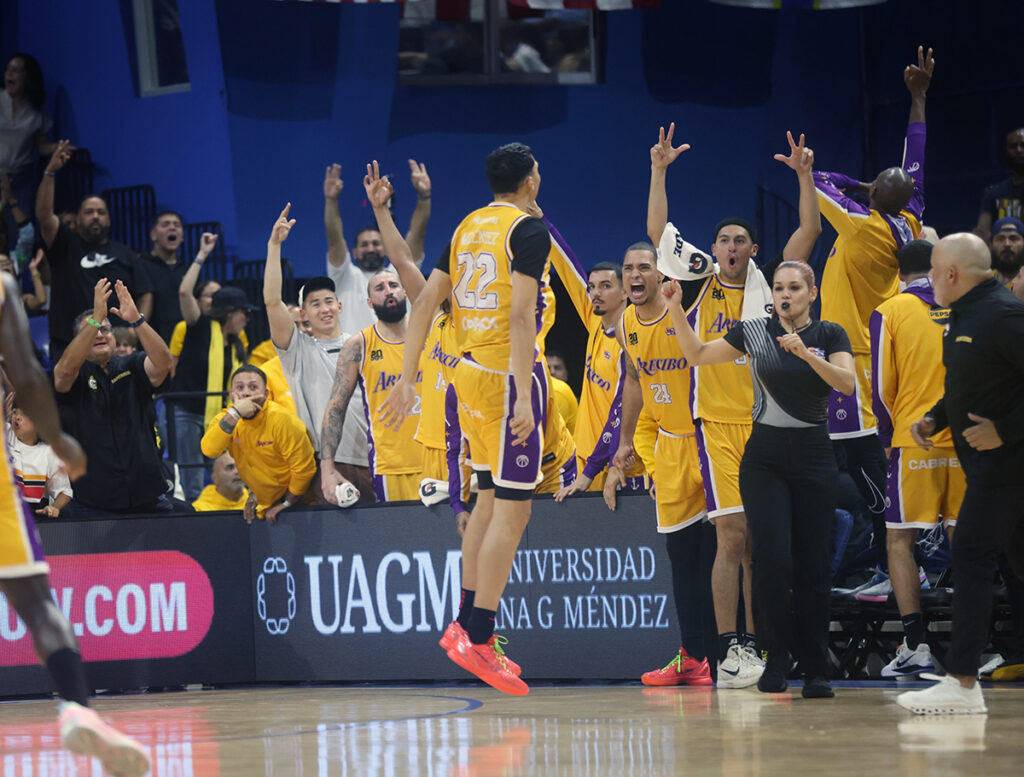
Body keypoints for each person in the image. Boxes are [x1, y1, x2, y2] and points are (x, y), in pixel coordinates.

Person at [648, 126, 822, 688]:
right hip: (717, 426)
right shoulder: (698, 280)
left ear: (751, 250)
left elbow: (809, 232)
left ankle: (765, 643)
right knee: (732, 536)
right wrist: (659, 171)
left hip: (768, 424)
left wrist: (804, 176)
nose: (728, 247)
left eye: (739, 240)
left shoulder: (772, 286)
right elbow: (658, 233)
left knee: (763, 546)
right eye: (722, 239)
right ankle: (731, 648)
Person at [379, 142, 550, 696]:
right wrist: (523, 396)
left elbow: (424, 303)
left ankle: (463, 623)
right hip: (506, 379)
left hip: (469, 376)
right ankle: (479, 636)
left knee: (488, 501)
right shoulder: (527, 231)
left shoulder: (467, 227)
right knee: (515, 513)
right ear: (530, 180)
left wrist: (407, 378)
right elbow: (521, 316)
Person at [663, 260, 856, 698]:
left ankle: (816, 669)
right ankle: (774, 660)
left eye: (794, 288)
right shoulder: (754, 331)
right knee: (770, 559)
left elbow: (846, 384)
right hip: (764, 458)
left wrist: (806, 354)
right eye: (779, 288)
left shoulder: (830, 334)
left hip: (814, 455)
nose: (785, 295)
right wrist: (674, 308)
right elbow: (697, 355)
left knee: (812, 563)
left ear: (812, 293)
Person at [0, 270, 150, 776]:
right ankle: (76, 709)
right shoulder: (2, 289)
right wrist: (60, 440)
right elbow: (27, 376)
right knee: (38, 606)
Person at [814, 47, 933, 579]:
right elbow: (916, 157)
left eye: (877, 184)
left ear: (876, 195)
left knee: (857, 463)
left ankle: (889, 553)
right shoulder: (911, 215)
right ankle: (886, 550)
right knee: (860, 461)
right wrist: (918, 99)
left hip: (854, 358)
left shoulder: (863, 226)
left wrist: (856, 186)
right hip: (857, 353)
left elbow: (819, 179)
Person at [897, 233, 1024, 715]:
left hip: (1009, 463)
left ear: (951, 274)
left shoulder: (1003, 315)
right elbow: (970, 383)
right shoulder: (962, 314)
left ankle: (962, 683)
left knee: (969, 550)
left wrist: (1005, 431)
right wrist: (936, 417)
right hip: (991, 464)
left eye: (933, 269)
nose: (929, 277)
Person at [609, 245, 716, 688]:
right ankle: (693, 656)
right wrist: (625, 442)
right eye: (628, 268)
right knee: (682, 560)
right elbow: (634, 379)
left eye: (644, 267)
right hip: (670, 447)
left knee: (723, 556)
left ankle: (735, 650)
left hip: (710, 439)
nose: (634, 274)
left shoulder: (685, 309)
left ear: (661, 274)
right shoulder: (625, 324)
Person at [870, 239, 961, 677]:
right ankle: (972, 648)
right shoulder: (964, 304)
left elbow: (880, 386)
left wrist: (888, 436)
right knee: (968, 541)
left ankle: (915, 645)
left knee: (899, 541)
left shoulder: (889, 311)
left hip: (913, 439)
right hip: (964, 439)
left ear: (898, 273)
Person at [263, 203, 372, 500]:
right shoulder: (297, 351)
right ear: (303, 314)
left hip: (375, 459)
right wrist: (274, 246)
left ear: (340, 305)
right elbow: (272, 301)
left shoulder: (362, 343)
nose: (324, 308)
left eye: (328, 301)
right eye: (315, 304)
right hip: (329, 465)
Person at [54, 279, 174, 517]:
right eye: (92, 329)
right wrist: (96, 317)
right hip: (92, 501)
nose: (100, 334)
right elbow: (63, 374)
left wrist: (137, 320)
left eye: (105, 329)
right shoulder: (73, 372)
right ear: (79, 341)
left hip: (148, 495)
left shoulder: (132, 363)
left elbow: (164, 364)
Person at [37, 141, 154, 358]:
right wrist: (50, 172)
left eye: (101, 212)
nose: (95, 216)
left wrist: (135, 328)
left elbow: (145, 291)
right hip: (69, 343)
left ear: (109, 218)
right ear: (78, 218)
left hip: (115, 347)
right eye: (89, 212)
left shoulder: (125, 253)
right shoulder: (64, 244)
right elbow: (44, 216)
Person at [319, 265, 423, 503]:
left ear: (405, 292)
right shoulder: (358, 345)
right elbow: (335, 408)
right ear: (369, 302)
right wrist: (327, 467)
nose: (388, 291)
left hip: (439, 458)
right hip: (389, 465)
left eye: (393, 285)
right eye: (380, 288)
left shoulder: (430, 333)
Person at [324, 160, 432, 336]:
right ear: (354, 252)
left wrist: (424, 197)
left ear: (387, 247)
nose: (370, 249)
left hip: (404, 351)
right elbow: (334, 239)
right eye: (364, 245)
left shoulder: (399, 275)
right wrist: (331, 200)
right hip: (356, 353)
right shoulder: (344, 276)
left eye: (376, 243)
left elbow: (417, 235)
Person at [168, 284, 254, 502]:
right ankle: (194, 516)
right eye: (245, 312)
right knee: (193, 478)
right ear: (230, 312)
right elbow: (184, 292)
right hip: (186, 413)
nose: (248, 319)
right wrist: (200, 262)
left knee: (229, 470)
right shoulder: (199, 327)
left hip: (217, 417)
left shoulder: (236, 344)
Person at [201, 364, 316, 524]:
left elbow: (304, 470)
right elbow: (209, 450)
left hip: (300, 501)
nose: (246, 393)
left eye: (253, 387)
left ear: (266, 394)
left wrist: (286, 503)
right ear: (232, 394)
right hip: (267, 502)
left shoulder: (283, 420)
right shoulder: (227, 419)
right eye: (240, 388)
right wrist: (235, 413)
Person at [0, 53, 60, 243]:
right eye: (8, 70)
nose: (9, 74)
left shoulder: (36, 111)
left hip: (20, 181)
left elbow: (41, 146)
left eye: (16, 70)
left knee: (21, 236)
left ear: (27, 77)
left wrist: (58, 148)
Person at [6, 400, 72, 518]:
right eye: (15, 412)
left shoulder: (50, 453)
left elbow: (65, 492)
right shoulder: (6, 434)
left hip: (34, 517)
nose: (17, 417)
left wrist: (55, 507)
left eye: (25, 414)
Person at [140, 211, 189, 342]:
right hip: (151, 339)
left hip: (183, 340)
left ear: (182, 237)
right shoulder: (140, 264)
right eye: (165, 224)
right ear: (153, 234)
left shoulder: (188, 269)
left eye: (177, 225)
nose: (172, 227)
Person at [974, 127, 1024, 241]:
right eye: (1013, 146)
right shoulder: (993, 193)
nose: (1019, 150)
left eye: (1023, 145)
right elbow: (982, 233)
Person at [987, 216, 1024, 287]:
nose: (1007, 244)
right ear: (991, 245)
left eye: (1013, 238)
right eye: (1000, 239)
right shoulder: (982, 282)